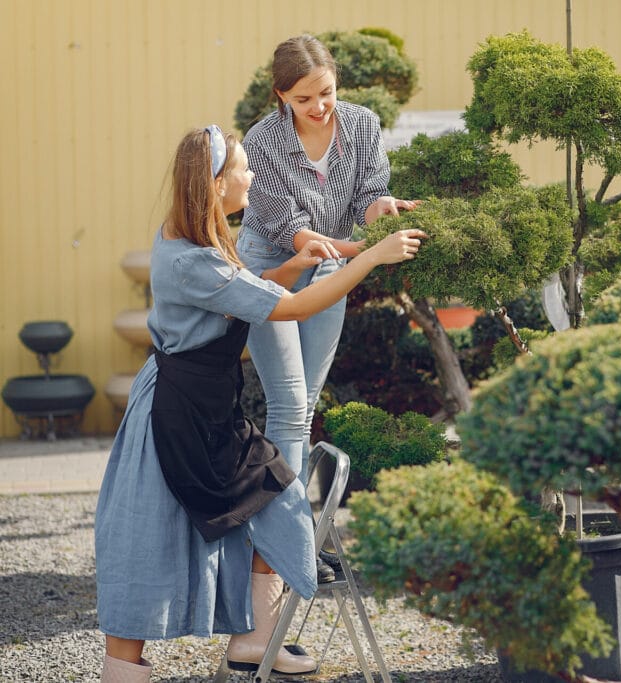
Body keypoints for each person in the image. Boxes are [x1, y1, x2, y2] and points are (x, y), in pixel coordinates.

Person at [93, 124, 425, 682]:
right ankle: (132, 671)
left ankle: (254, 641)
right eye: (243, 169)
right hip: (175, 415)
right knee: (146, 545)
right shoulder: (193, 260)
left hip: (202, 405)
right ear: (217, 183)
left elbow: (243, 288)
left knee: (277, 494)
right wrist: (370, 259)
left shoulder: (195, 238)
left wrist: (286, 270)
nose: (252, 176)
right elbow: (288, 309)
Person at [237, 34, 418, 582]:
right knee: (289, 405)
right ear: (280, 96)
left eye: (326, 93)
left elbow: (369, 194)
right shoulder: (262, 142)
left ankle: (295, 544)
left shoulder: (361, 125)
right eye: (303, 99)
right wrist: (369, 252)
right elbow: (293, 235)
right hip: (274, 270)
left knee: (307, 404)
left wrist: (381, 209)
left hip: (335, 265)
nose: (319, 107)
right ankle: (291, 549)